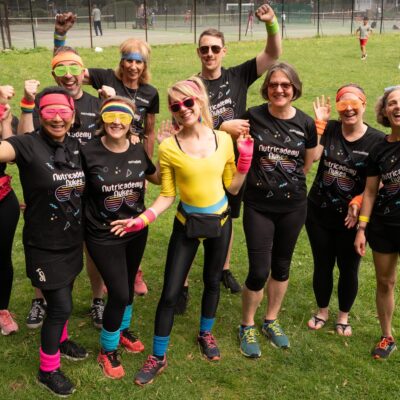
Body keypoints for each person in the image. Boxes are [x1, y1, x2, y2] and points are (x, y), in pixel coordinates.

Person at [111, 77, 253, 385]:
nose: (183, 109)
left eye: (188, 102)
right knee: (171, 292)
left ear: (200, 101)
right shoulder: (169, 147)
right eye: (176, 106)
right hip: (186, 224)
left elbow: (232, 187)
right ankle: (158, 356)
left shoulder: (223, 140)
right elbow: (166, 194)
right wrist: (142, 219)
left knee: (212, 281)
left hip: (220, 221)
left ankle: (206, 334)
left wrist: (244, 164)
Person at [174, 3, 282, 314]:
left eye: (215, 48)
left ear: (224, 50)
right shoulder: (191, 85)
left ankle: (222, 268)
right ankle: (181, 284)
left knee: (227, 217)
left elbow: (273, 55)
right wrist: (223, 126)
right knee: (193, 220)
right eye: (204, 49)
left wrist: (271, 23)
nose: (210, 54)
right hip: (200, 163)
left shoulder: (239, 75)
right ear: (198, 52)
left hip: (234, 164)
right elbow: (185, 123)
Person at [18, 37, 110, 330]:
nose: (68, 73)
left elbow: (114, 137)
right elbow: (25, 143)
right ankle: (40, 299)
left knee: (90, 249)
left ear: (84, 71)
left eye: (74, 67)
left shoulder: (98, 101)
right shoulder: (46, 101)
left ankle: (97, 301)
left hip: (87, 187)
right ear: (54, 73)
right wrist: (26, 104)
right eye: (61, 68)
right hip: (49, 182)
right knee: (47, 240)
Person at [0, 88, 87, 397]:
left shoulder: (78, 147)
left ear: (73, 114)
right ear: (39, 114)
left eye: (63, 111)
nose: (57, 118)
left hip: (72, 240)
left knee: (64, 296)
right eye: (49, 111)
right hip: (43, 244)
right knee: (61, 306)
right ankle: (47, 369)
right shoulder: (26, 145)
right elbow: (3, 150)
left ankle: (61, 342)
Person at [238, 62, 317, 358]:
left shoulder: (306, 123)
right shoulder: (253, 116)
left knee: (281, 266)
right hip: (258, 206)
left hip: (293, 207)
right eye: (274, 85)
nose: (279, 89)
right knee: (259, 270)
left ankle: (271, 320)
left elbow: (306, 165)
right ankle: (246, 324)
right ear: (266, 88)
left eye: (285, 85)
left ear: (294, 88)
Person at [81, 96, 160, 378]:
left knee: (127, 285)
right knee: (119, 292)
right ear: (102, 118)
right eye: (111, 115)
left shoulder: (138, 150)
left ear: (131, 121)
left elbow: (158, 178)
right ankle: (107, 350)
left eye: (123, 117)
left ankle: (122, 330)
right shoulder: (87, 151)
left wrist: (166, 147)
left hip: (136, 230)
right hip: (102, 234)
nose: (116, 121)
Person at [306, 85, 385, 336]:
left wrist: (360, 200)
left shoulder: (377, 141)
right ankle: (322, 311)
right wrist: (319, 125)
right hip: (318, 211)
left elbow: (381, 181)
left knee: (349, 268)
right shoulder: (328, 129)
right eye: (342, 105)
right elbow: (315, 157)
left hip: (351, 220)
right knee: (322, 264)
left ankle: (343, 316)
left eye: (355, 103)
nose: (349, 109)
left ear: (364, 104)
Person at [354, 85, 400, 359]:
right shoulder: (378, 150)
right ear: (384, 111)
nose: (397, 107)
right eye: (392, 103)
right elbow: (370, 192)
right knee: (385, 281)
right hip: (384, 227)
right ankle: (387, 336)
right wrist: (362, 228)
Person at [0, 86, 20, 335]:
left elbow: (11, 156)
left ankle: (2, 310)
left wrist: (5, 122)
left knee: (2, 258)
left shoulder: (4, 114)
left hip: (3, 198)